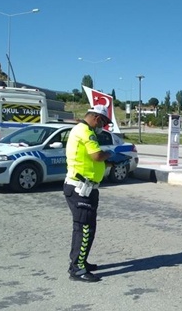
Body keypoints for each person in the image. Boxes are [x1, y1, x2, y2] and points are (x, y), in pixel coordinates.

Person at [64, 105, 114, 282]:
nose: (103, 126)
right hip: (80, 189)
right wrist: (109, 153)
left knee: (85, 228)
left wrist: (110, 164)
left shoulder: (82, 130)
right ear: (96, 118)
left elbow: (90, 160)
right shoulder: (86, 131)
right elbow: (97, 156)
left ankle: (80, 261)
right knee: (84, 229)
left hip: (87, 188)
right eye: (103, 122)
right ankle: (77, 269)